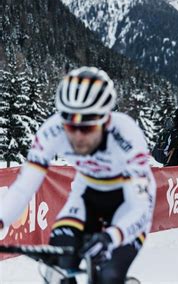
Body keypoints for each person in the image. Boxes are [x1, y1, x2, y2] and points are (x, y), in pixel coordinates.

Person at [0, 67, 156, 283]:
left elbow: (140, 207)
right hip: (87, 194)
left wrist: (112, 236)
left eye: (87, 128)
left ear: (105, 120)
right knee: (59, 267)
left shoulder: (127, 136)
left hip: (127, 203)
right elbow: (23, 187)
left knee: (109, 275)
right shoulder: (52, 130)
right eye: (71, 126)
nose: (78, 136)